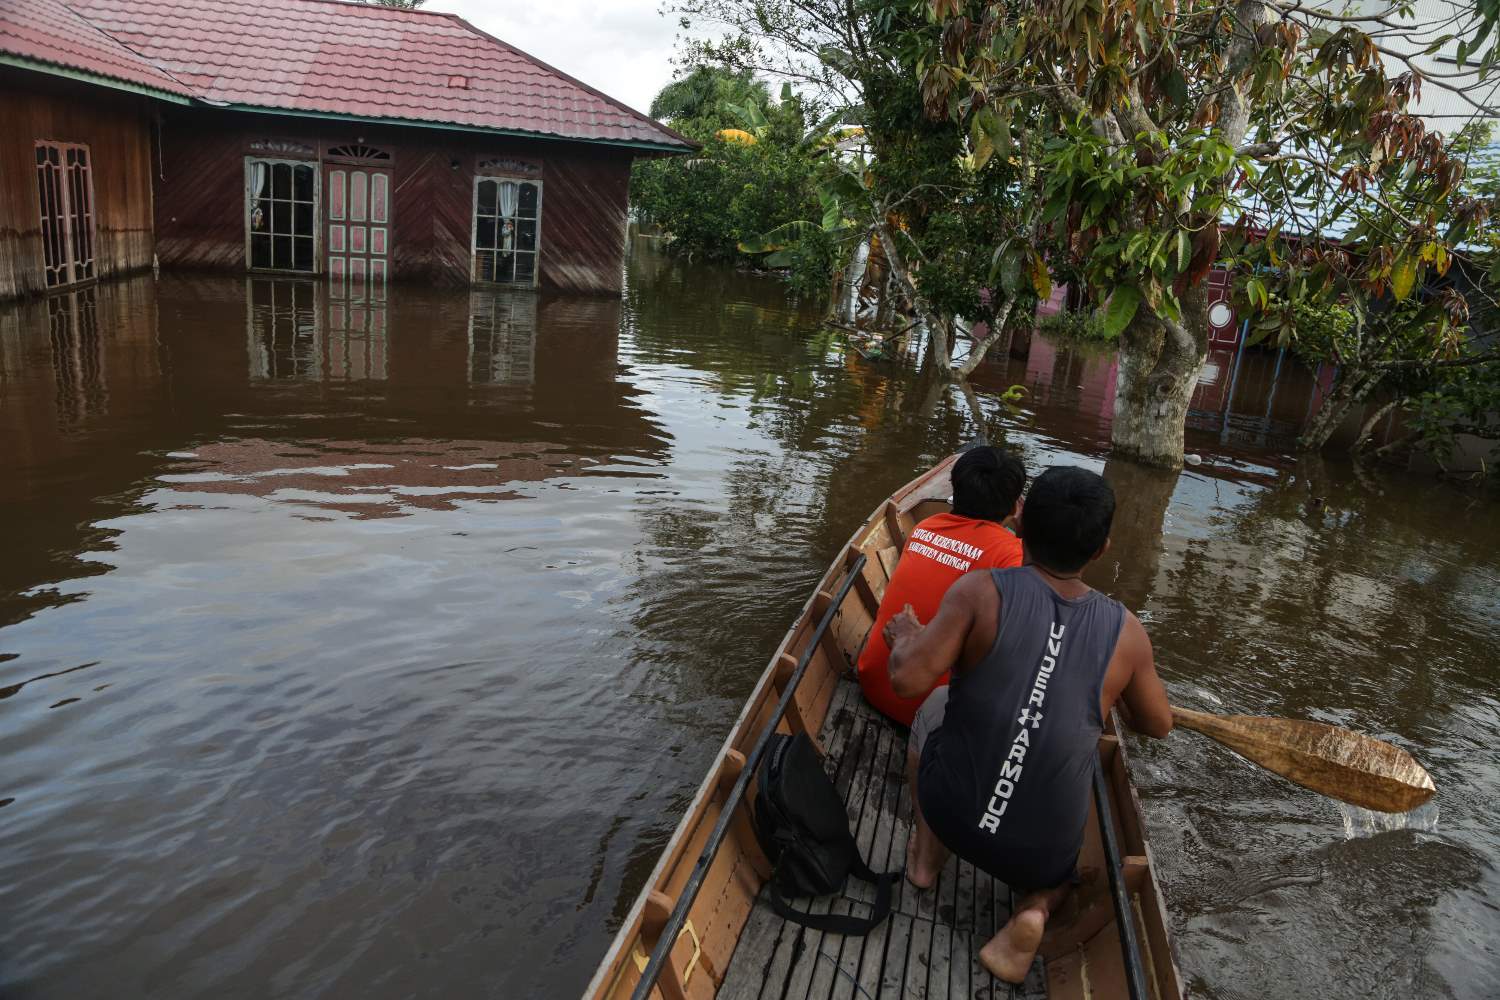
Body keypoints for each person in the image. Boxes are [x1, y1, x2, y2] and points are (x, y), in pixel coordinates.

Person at [883, 466, 1173, 984]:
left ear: (1020, 522)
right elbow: (1158, 724)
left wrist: (906, 635)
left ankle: (925, 860)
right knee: (1068, 828)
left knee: (935, 707)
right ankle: (1033, 912)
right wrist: (1123, 692)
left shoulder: (979, 591)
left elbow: (906, 680)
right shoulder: (1128, 634)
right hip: (1037, 857)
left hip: (951, 811)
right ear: (1102, 548)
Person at [856, 446, 1026, 727]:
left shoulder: (926, 527)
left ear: (954, 492)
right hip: (933, 713)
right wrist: (1023, 534)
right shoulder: (1012, 555)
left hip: (875, 685)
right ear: (1013, 507)